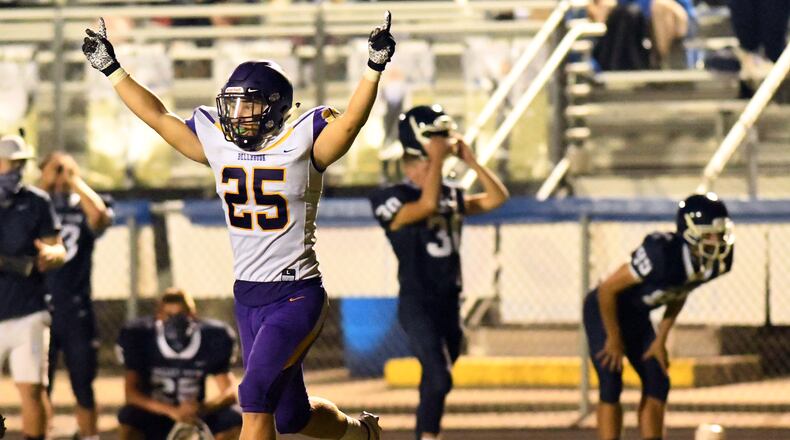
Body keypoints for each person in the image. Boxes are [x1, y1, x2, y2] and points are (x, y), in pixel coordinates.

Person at [81, 10, 396, 440]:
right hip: (247, 295)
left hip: (295, 292)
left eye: (249, 103)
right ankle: (363, 434)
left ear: (275, 107)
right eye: (233, 103)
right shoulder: (218, 140)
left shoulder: (304, 140)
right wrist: (112, 70)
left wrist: (373, 68)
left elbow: (351, 123)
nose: (238, 113)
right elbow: (158, 117)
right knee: (290, 416)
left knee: (252, 396)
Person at [368, 105, 510, 440]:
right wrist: (436, 160)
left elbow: (496, 198)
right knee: (439, 377)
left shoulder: (447, 191)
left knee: (433, 384)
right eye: (435, 139)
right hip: (418, 303)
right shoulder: (390, 197)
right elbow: (427, 205)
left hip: (450, 303)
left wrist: (472, 161)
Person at [583, 193, 735, 440]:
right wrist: (613, 337)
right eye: (709, 234)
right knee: (611, 381)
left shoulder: (717, 261)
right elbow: (607, 290)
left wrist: (660, 339)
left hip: (637, 315)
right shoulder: (661, 253)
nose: (717, 240)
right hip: (604, 311)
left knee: (658, 381)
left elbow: (682, 290)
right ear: (689, 231)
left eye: (720, 233)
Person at [37, 152, 114, 440]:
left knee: (83, 382)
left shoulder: (83, 203)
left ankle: (90, 436)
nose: (59, 175)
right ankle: (40, 433)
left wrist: (74, 180)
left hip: (75, 308)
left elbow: (100, 216)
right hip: (37, 306)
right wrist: (46, 181)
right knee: (38, 385)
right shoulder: (33, 204)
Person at [0, 134, 66, 440]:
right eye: (9, 163)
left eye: (19, 164)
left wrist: (51, 255)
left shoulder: (36, 201)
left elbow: (57, 247)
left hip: (27, 309)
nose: (15, 170)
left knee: (32, 389)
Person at [116, 288, 242, 440]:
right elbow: (131, 394)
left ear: (193, 314)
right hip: (157, 413)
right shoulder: (142, 337)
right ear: (159, 316)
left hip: (196, 414)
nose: (175, 321)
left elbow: (229, 391)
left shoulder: (211, 337)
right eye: (169, 315)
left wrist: (203, 408)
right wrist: (171, 411)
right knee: (129, 417)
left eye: (181, 314)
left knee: (235, 417)